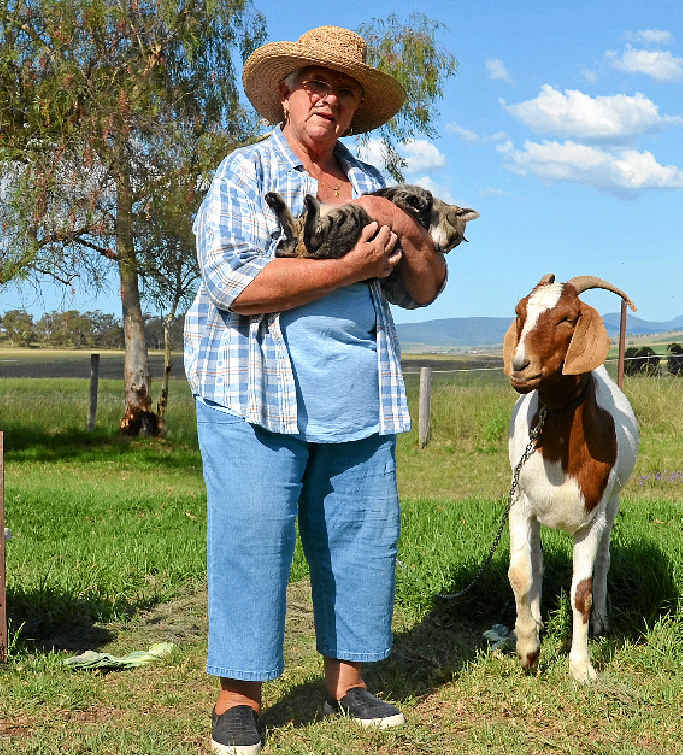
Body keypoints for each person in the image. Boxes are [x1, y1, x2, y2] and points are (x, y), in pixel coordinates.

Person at [184, 25, 448, 755]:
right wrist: (349, 269)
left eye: (345, 90)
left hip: (358, 397)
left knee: (361, 541)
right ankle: (238, 696)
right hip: (254, 393)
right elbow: (235, 284)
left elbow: (422, 290)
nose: (330, 98)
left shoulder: (373, 185)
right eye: (317, 84)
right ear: (288, 97)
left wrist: (410, 231)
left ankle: (349, 682)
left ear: (356, 109)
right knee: (252, 539)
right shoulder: (245, 174)